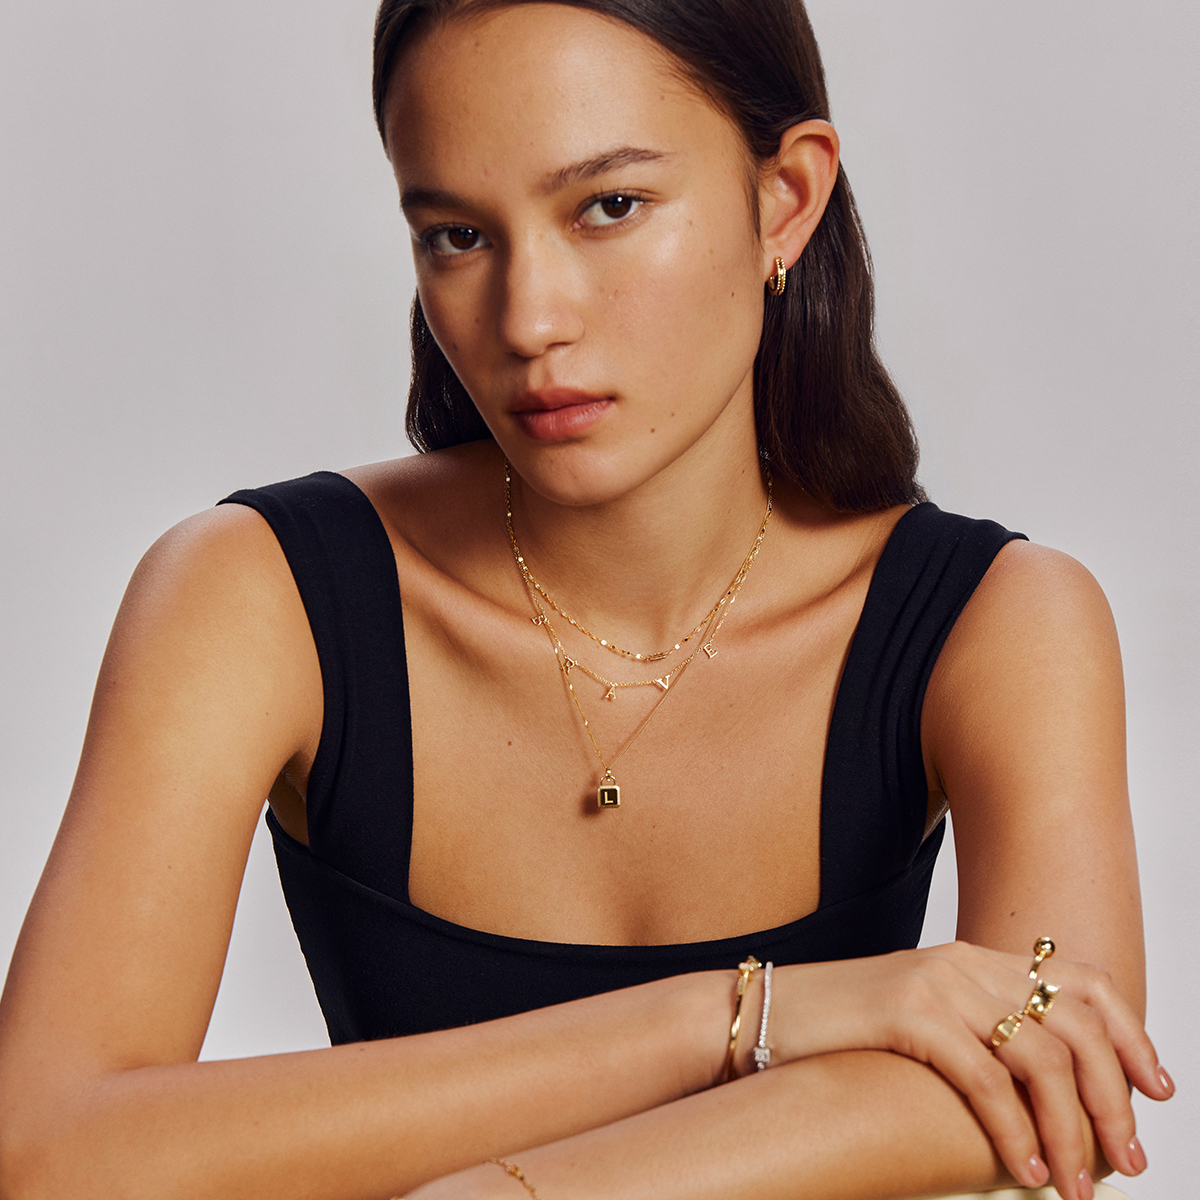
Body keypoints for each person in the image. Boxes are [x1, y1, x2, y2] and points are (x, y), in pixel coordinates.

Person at [0, 1, 1175, 1197]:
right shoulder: (259, 593)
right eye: (458, 236)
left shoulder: (997, 622)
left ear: (786, 200)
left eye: (609, 207)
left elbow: (1063, 1084)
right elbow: (47, 1151)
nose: (529, 320)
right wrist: (729, 1020)